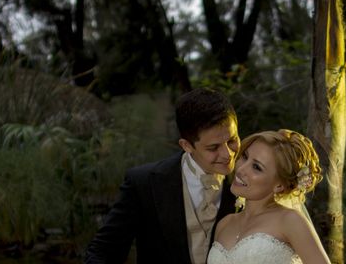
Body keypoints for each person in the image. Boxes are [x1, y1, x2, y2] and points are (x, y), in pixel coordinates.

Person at [85, 87, 240, 264]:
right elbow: (102, 252)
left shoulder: (254, 181)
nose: (228, 154)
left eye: (232, 140)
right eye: (213, 148)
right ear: (187, 146)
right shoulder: (143, 184)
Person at [207, 129, 331, 264]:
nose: (241, 169)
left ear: (279, 186)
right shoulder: (224, 224)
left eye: (256, 167)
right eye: (245, 156)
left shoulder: (290, 221)